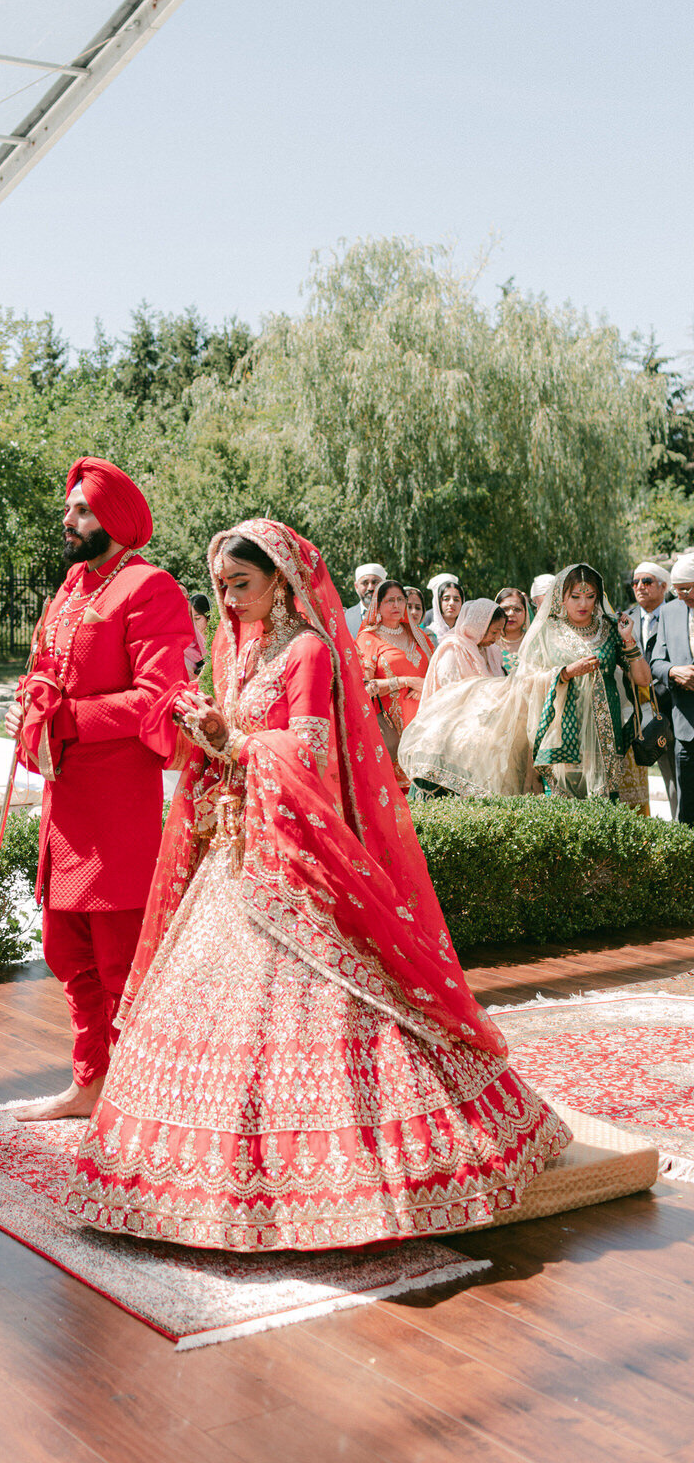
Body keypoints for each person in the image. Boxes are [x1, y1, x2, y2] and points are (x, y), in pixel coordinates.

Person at [64, 520, 568, 1250]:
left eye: (242, 586)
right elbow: (226, 740)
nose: (230, 602)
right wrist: (204, 732)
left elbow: (310, 755)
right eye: (223, 588)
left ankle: (363, 1173)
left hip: (291, 856)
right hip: (234, 853)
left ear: (283, 581)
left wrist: (233, 741)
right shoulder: (240, 650)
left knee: (327, 1004)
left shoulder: (307, 651)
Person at [6, 458, 194, 1123]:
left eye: (82, 511)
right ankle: (91, 1083)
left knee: (120, 957)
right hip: (66, 804)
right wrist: (29, 716)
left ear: (113, 519)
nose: (68, 520)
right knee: (65, 949)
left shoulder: (149, 587)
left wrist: (67, 721)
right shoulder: (71, 587)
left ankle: (138, 1093)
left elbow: (158, 697)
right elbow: (49, 678)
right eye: (69, 509)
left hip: (117, 804)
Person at [517, 565, 653, 805]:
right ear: (561, 597)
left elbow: (643, 679)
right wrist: (566, 673)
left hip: (605, 730)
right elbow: (526, 681)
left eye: (590, 597)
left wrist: (628, 639)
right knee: (564, 806)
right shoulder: (547, 632)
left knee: (604, 805)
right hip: (562, 732)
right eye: (575, 597)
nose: (584, 604)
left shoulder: (610, 629)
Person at [355, 579, 434, 787]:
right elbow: (363, 688)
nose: (397, 605)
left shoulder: (419, 636)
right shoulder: (368, 639)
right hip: (390, 732)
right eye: (390, 600)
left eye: (400, 600)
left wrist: (424, 686)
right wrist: (406, 681)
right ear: (378, 606)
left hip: (424, 731)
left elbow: (437, 675)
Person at [627, 561, 676, 815]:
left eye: (646, 581)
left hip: (673, 707)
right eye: (635, 582)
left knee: (675, 779)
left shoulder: (678, 615)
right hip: (635, 712)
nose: (639, 587)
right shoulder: (627, 618)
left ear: (664, 586)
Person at [651, 554, 694, 825]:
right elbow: (655, 661)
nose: (682, 596)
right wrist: (672, 671)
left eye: (687, 589)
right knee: (687, 807)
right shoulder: (669, 612)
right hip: (685, 725)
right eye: (677, 591)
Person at [419, 599, 507, 703]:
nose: (497, 637)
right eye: (494, 632)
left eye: (500, 632)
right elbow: (449, 694)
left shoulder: (491, 651)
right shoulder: (452, 650)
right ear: (478, 628)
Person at [495, 587, 531, 673]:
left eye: (517, 609)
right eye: (505, 609)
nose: (511, 614)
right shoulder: (488, 644)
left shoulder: (535, 643)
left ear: (525, 613)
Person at [345, 564, 385, 636]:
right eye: (365, 583)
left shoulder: (395, 614)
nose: (370, 588)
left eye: (375, 582)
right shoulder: (345, 617)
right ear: (356, 587)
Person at [425, 575, 464, 643]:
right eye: (446, 599)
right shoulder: (428, 634)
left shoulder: (466, 634)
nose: (451, 603)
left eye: (456, 599)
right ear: (438, 603)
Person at [185, 593, 211, 679]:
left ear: (208, 616)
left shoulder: (220, 639)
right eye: (191, 619)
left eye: (198, 618)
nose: (194, 624)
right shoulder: (188, 648)